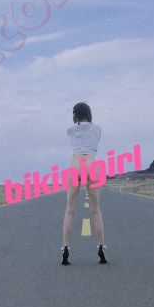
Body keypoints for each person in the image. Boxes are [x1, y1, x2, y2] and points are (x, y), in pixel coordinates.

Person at [61, 102, 107, 265]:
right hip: (92, 166)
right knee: (96, 210)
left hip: (75, 166)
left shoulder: (70, 130)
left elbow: (77, 131)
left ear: (75, 115)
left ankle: (65, 248)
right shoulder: (97, 129)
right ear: (89, 114)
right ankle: (101, 248)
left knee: (70, 210)